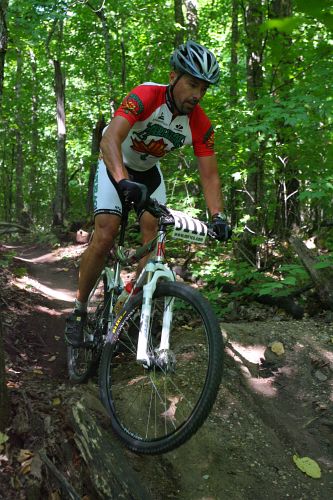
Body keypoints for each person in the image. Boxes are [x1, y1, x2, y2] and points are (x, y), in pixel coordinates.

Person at [65, 40, 231, 347]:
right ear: (173, 78)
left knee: (155, 238)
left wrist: (218, 216)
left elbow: (209, 175)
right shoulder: (146, 95)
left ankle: (131, 310)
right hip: (116, 162)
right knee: (106, 234)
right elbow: (110, 139)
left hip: (150, 173)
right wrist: (122, 180)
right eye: (192, 84)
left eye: (203, 89)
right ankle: (77, 311)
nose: (197, 95)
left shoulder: (200, 123)